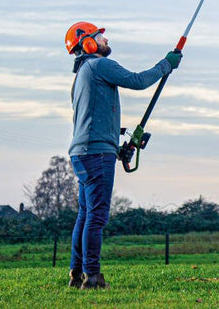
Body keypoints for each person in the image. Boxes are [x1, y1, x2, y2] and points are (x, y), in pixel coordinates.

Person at [64, 21, 182, 290]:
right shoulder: (98, 65)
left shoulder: (81, 76)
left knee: (85, 215)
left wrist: (116, 147)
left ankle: (77, 274)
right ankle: (92, 278)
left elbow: (93, 118)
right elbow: (138, 81)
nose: (106, 40)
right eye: (100, 37)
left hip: (83, 153)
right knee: (96, 216)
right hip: (96, 155)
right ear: (89, 44)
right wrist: (167, 64)